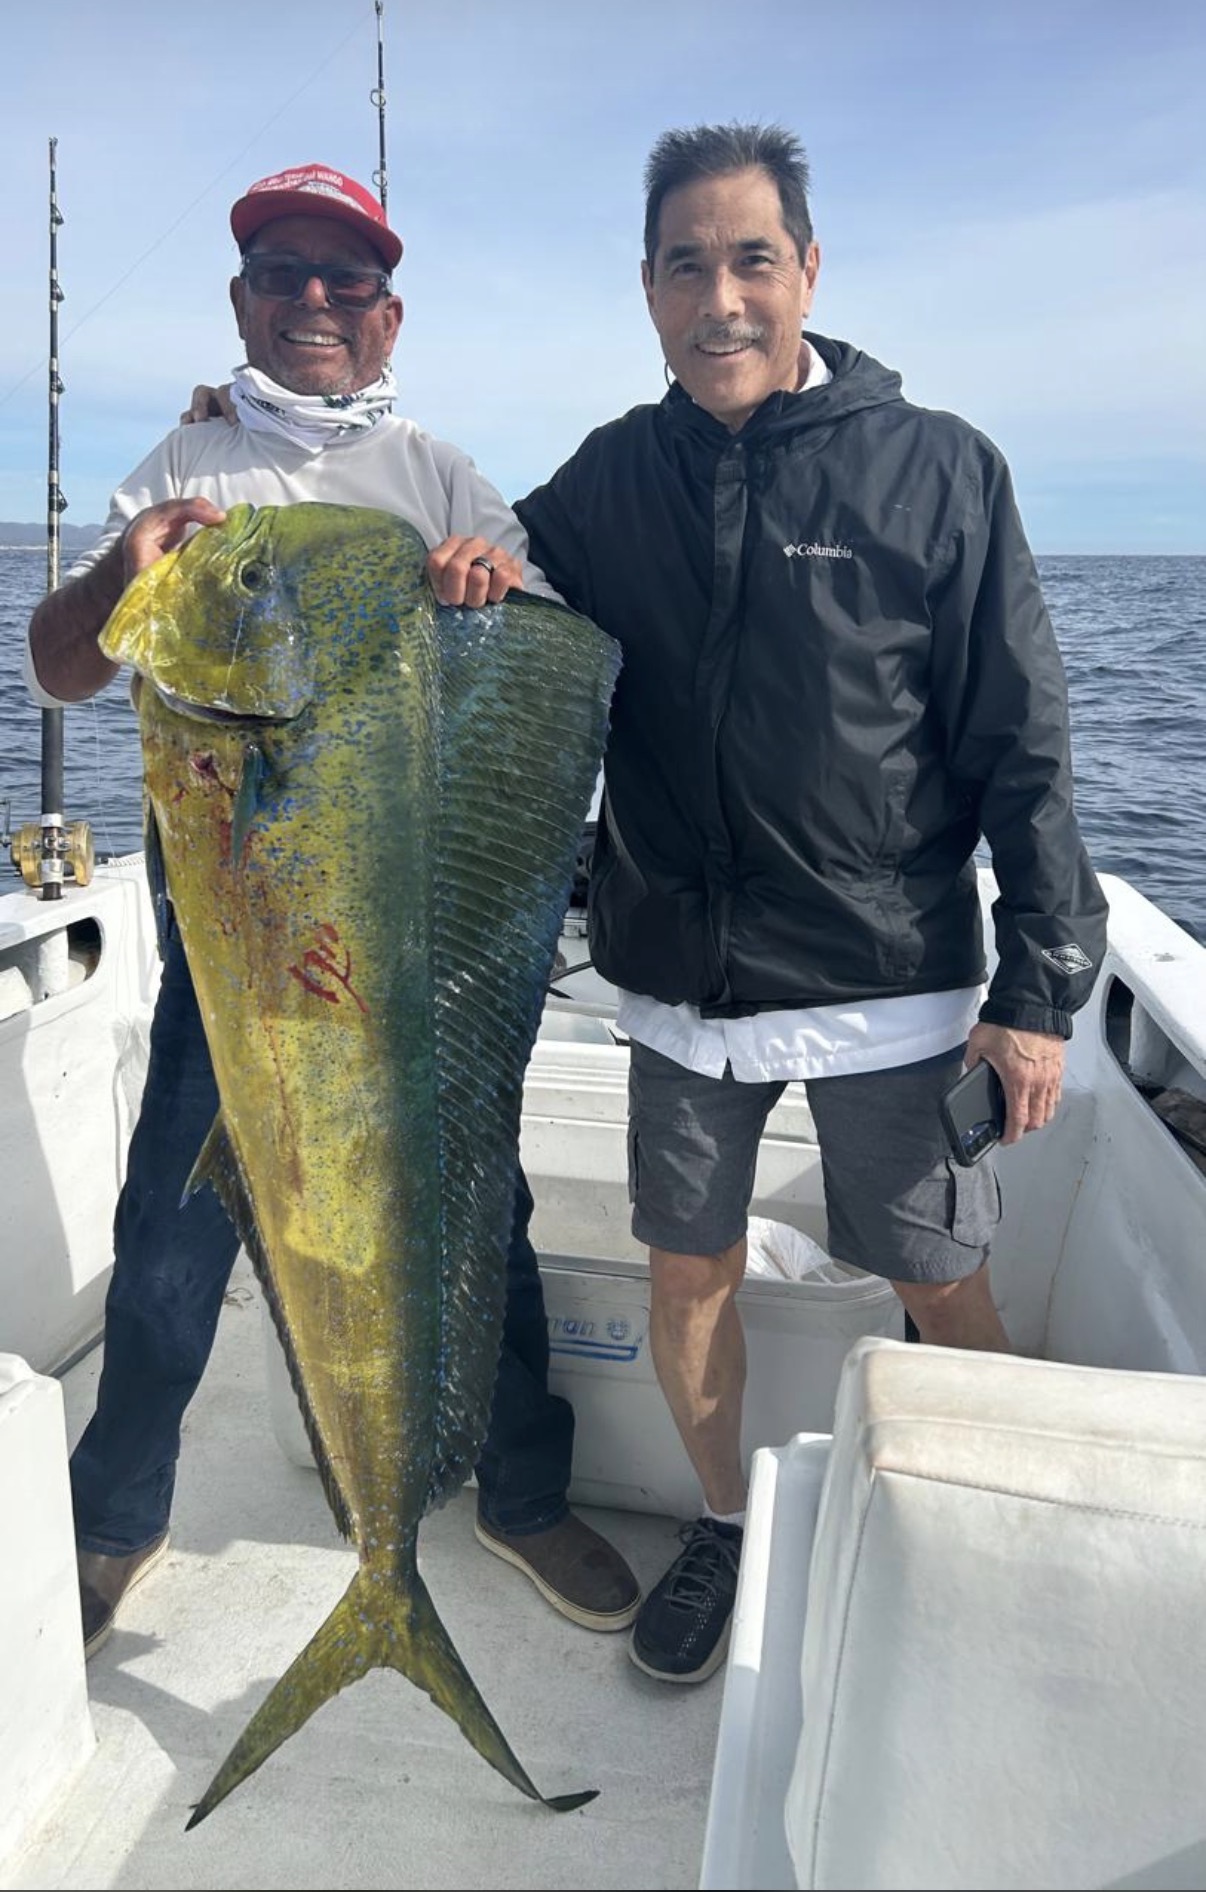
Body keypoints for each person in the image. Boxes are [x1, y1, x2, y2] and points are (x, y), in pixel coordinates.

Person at [504, 122, 1109, 1686]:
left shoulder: (937, 466)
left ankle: (985, 1532)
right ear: (647, 288)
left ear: (809, 272)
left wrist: (1037, 988)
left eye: (750, 260)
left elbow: (1022, 741)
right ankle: (724, 1523)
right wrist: (281, 480)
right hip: (674, 983)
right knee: (684, 1274)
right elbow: (480, 574)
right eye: (685, 266)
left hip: (888, 982)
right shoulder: (608, 477)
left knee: (935, 1274)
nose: (720, 299)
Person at [24, 162, 639, 1659]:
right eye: (281, 274)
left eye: (345, 279)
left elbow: (535, 673)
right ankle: (116, 1520)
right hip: (235, 934)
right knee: (173, 1230)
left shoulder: (439, 473)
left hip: (415, 941)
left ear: (387, 316)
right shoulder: (183, 463)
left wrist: (492, 587)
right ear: (241, 302)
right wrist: (121, 572)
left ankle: (515, 1492)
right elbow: (60, 668)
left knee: (473, 1206)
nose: (313, 300)